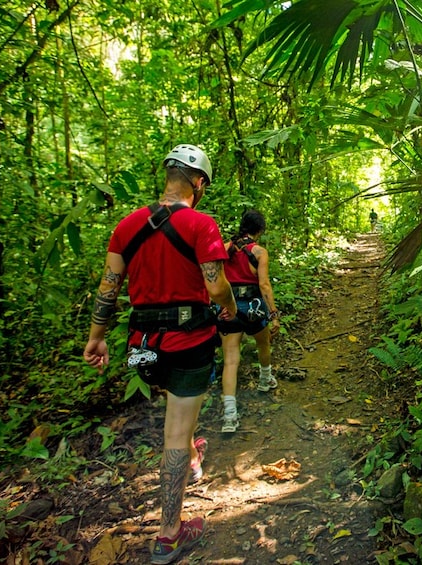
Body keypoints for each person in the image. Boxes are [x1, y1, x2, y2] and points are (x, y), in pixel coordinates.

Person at [82, 144, 237, 565]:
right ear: (199, 182)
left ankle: (191, 453)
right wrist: (231, 308)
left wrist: (97, 338)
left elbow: (108, 289)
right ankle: (169, 535)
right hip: (189, 342)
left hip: (142, 351)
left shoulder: (127, 225)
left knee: (175, 410)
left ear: (167, 175)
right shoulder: (201, 224)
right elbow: (217, 287)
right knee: (175, 429)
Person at [216, 209, 281, 433]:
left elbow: (214, 279)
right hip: (253, 306)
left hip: (229, 306)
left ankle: (229, 416)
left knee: (230, 360)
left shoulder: (224, 248)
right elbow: (264, 285)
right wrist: (273, 314)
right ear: (260, 230)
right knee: (263, 343)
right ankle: (265, 379)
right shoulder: (259, 252)